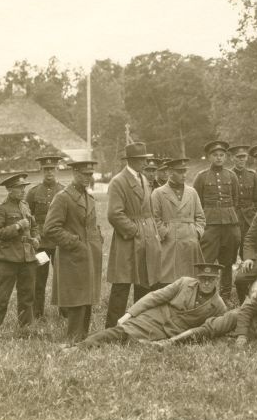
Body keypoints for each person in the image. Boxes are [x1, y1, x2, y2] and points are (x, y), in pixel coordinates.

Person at [62, 263, 226, 352]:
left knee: (136, 345)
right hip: (155, 318)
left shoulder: (218, 306)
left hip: (173, 334)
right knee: (120, 331)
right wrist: (129, 314)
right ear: (198, 277)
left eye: (210, 280)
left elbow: (215, 330)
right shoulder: (184, 283)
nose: (205, 283)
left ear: (216, 281)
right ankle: (78, 347)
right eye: (203, 278)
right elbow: (154, 297)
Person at [151, 262, 257, 347]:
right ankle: (169, 342)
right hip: (238, 320)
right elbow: (247, 310)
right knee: (210, 328)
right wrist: (241, 335)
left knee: (217, 341)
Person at [44, 161, 104, 342]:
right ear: (75, 173)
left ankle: (83, 338)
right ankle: (73, 339)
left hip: (89, 255)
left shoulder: (88, 197)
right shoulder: (63, 197)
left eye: (90, 174)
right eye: (84, 174)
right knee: (76, 298)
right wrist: (74, 242)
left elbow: (91, 225)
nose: (88, 178)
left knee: (87, 298)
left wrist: (97, 239)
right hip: (73, 256)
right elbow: (50, 228)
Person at [105, 142, 163, 328]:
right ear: (131, 160)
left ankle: (140, 326)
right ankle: (112, 330)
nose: (145, 163)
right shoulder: (118, 181)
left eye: (145, 159)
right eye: (141, 160)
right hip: (127, 240)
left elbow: (150, 210)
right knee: (122, 285)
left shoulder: (144, 179)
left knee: (146, 283)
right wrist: (134, 231)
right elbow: (114, 214)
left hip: (147, 238)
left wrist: (150, 231)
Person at [0, 173, 40, 330]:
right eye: (19, 188)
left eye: (24, 187)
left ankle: (26, 329)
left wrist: (37, 238)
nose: (23, 191)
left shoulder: (25, 206)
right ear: (10, 190)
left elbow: (34, 226)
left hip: (28, 259)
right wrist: (17, 226)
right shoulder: (0, 209)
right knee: (1, 297)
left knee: (27, 297)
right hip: (8, 260)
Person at [193, 140, 241, 302]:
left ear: (226, 157)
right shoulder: (201, 177)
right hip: (210, 225)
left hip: (229, 223)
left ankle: (225, 296)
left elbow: (235, 199)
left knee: (227, 262)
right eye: (215, 155)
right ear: (209, 157)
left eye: (222, 155)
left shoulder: (232, 176)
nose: (219, 158)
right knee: (206, 261)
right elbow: (196, 202)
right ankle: (205, 296)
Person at [151, 158, 206, 283]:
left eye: (185, 171)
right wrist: (165, 233)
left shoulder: (192, 192)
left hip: (190, 241)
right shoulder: (158, 193)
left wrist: (196, 232)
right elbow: (154, 218)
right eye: (180, 171)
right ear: (170, 172)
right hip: (169, 242)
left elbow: (200, 217)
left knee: (191, 280)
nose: (184, 175)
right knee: (168, 279)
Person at [25, 155, 65, 319]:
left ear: (57, 169)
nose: (49, 172)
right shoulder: (33, 193)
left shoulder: (64, 191)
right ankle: (37, 313)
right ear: (42, 170)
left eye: (52, 169)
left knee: (62, 278)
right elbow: (28, 218)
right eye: (46, 169)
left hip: (58, 245)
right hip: (41, 246)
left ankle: (65, 312)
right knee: (39, 279)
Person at [229, 144, 257, 258]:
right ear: (232, 158)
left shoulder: (253, 175)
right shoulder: (228, 175)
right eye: (238, 157)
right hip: (234, 217)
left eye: (244, 156)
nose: (241, 159)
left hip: (250, 217)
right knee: (232, 247)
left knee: (253, 247)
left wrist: (255, 214)